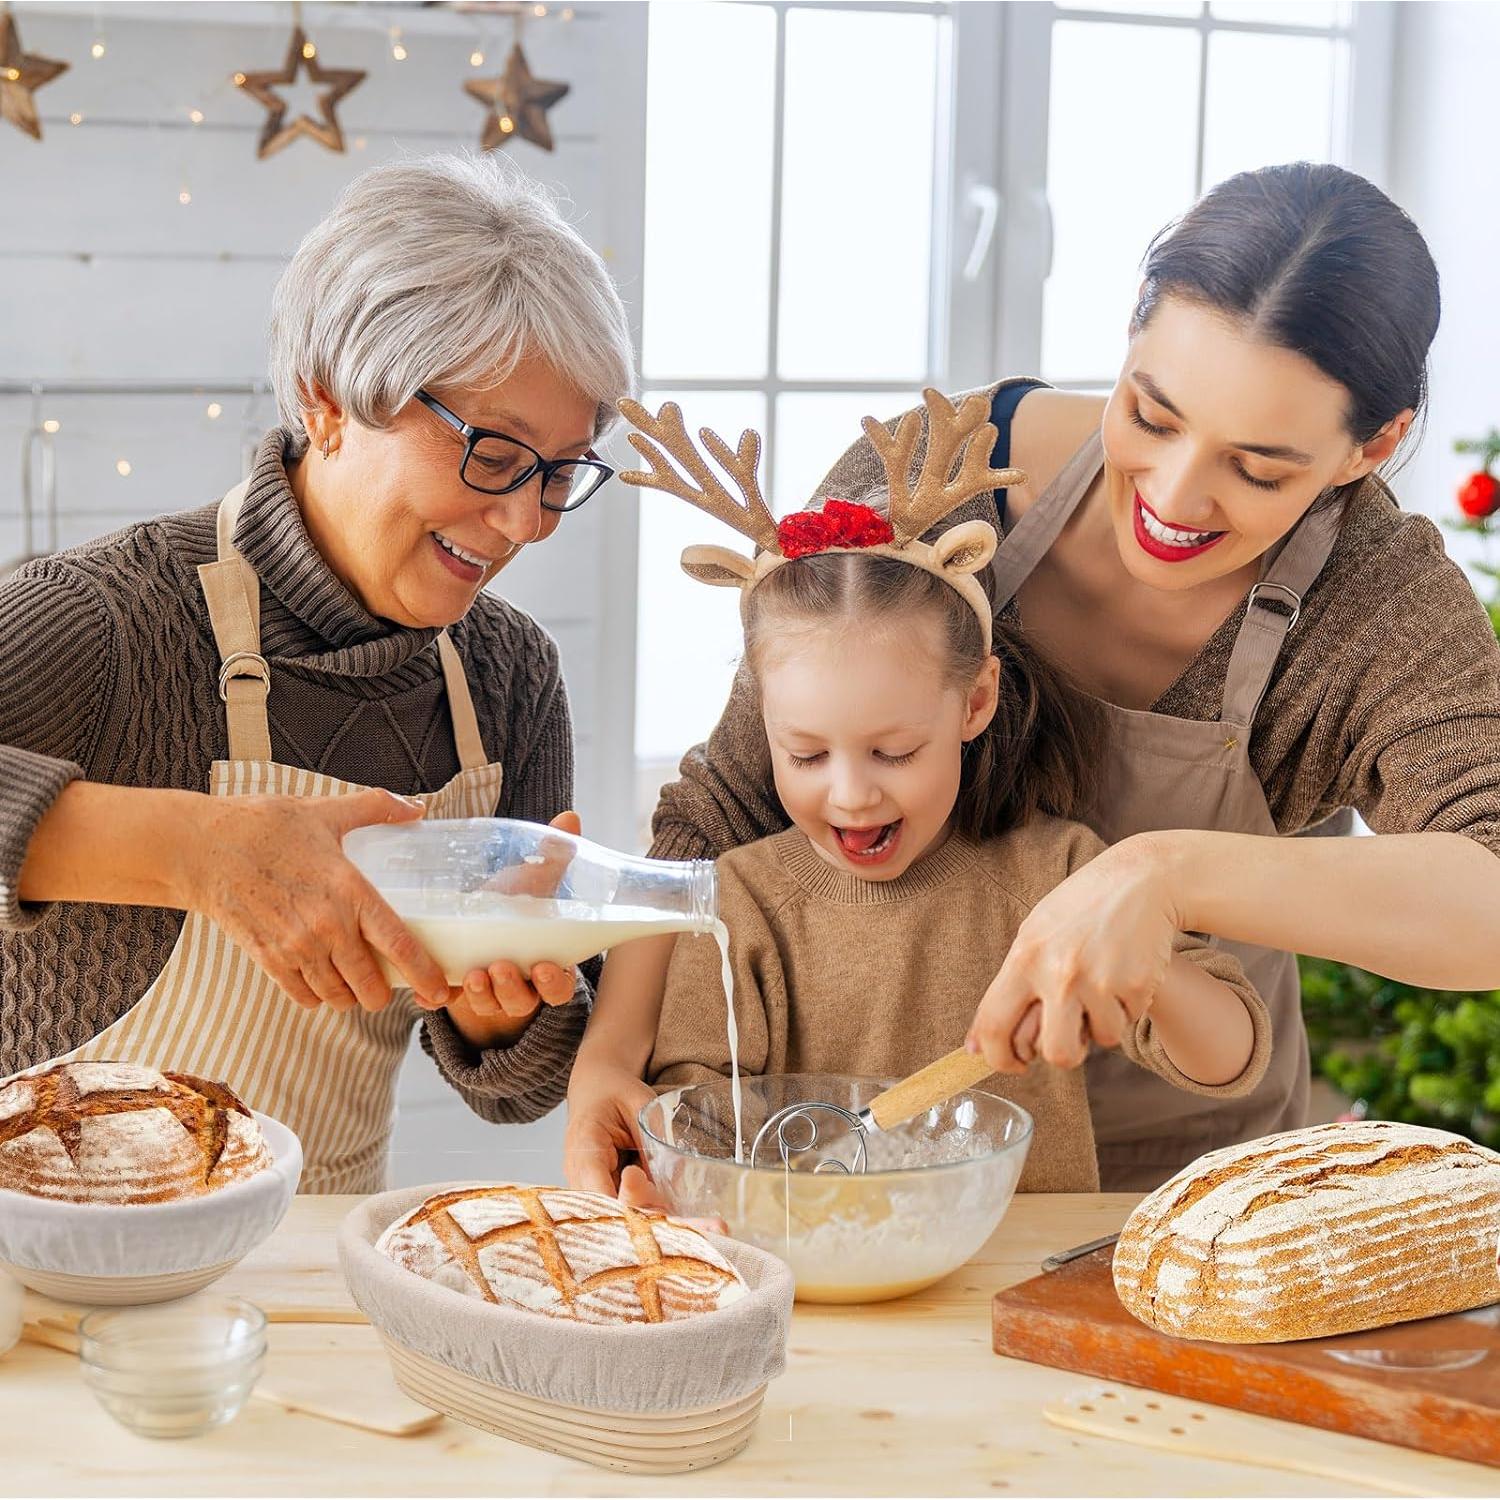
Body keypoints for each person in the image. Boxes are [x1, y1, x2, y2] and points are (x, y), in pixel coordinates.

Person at [568, 161, 1500, 1193]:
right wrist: (613, 1054)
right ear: (1131, 338)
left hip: (1186, 1181)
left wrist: (1162, 875)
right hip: (880, 1161)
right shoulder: (946, 476)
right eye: (1150, 414)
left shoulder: (1375, 605)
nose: (1175, 495)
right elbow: (727, 804)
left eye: (1258, 466)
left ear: (1371, 447)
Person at [0, 152, 634, 1192]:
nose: (528, 521)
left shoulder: (510, 676)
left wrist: (493, 1006)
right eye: (495, 452)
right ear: (330, 397)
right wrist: (196, 851)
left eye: (564, 470)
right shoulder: (106, 622)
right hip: (51, 1271)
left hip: (314, 1275)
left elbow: (510, 1090)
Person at [611, 393, 1268, 1196]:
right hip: (820, 1295)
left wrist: (1144, 963)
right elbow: (691, 1123)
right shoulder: (743, 907)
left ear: (975, 703)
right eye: (807, 754)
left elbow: (1229, 1056)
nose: (851, 795)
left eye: (894, 751)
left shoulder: (1058, 878)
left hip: (1023, 1281)